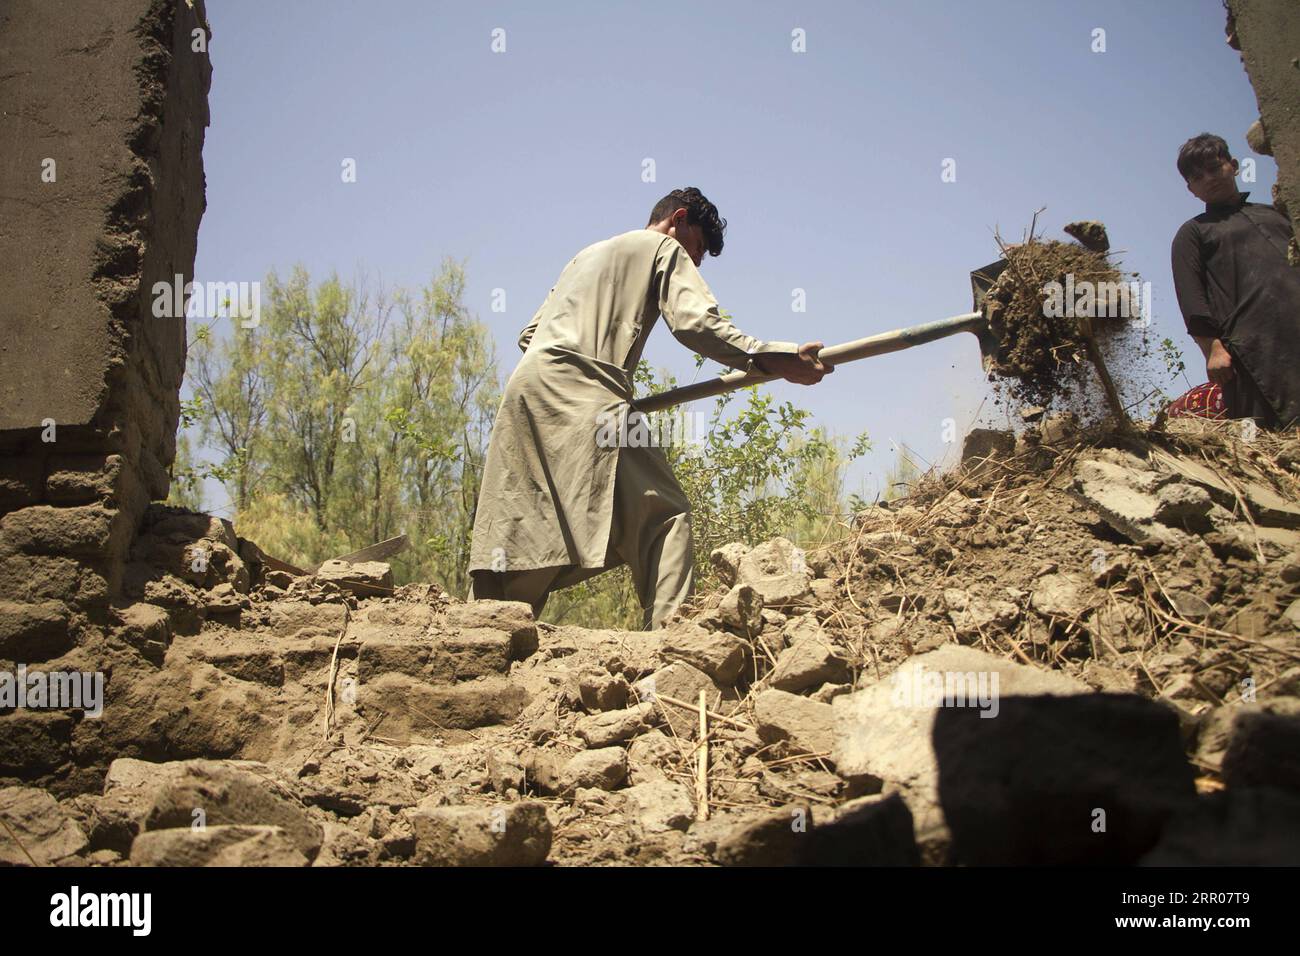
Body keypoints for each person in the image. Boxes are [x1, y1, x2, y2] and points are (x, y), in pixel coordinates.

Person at [466, 187, 831, 629]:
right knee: (664, 516)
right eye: (695, 249)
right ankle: (670, 645)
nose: (693, 263)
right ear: (678, 219)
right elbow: (694, 322)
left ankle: (479, 636)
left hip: (527, 394)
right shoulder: (662, 246)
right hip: (587, 391)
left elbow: (530, 334)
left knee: (528, 529)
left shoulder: (584, 257)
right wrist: (772, 356)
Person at [1170, 133, 1300, 429]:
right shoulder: (1193, 233)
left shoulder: (1275, 215)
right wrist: (1212, 348)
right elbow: (1190, 297)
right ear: (1191, 189)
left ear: (1234, 165)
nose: (1209, 179)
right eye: (1198, 177)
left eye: (1214, 169)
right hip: (1251, 350)